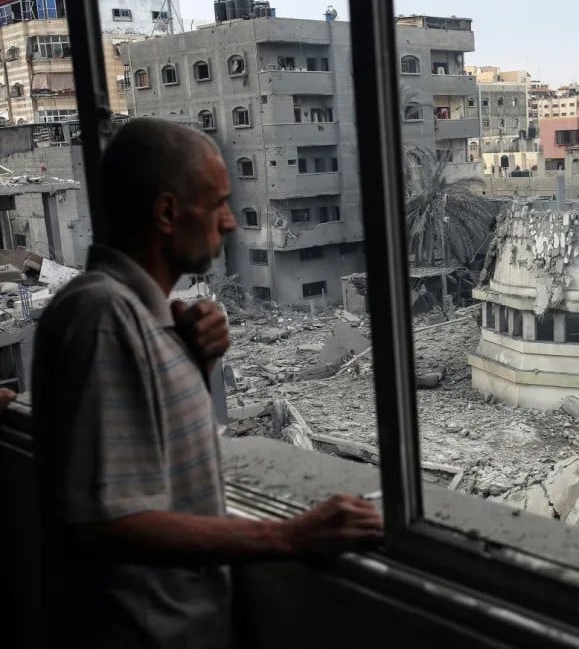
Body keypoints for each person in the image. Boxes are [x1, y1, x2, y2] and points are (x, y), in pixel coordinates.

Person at [33, 118, 383, 648]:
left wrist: (194, 360)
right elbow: (107, 522)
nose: (230, 223)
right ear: (168, 212)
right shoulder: (104, 317)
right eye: (217, 202)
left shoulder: (141, 319)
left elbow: (161, 455)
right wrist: (289, 535)